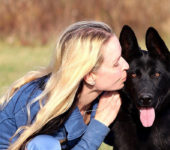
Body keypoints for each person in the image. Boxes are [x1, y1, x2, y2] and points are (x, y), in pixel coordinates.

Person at [0, 21, 129, 150]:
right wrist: (100, 124)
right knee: (43, 144)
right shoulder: (40, 105)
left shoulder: (102, 98)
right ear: (90, 76)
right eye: (116, 63)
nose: (126, 66)